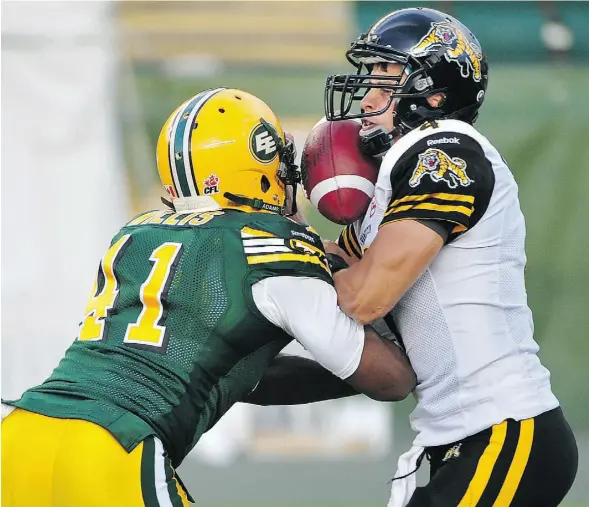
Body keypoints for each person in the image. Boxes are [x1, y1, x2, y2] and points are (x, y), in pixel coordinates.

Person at [1, 88, 416, 507]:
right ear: (259, 168)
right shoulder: (272, 249)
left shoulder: (137, 233)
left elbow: (237, 375)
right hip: (112, 447)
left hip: (19, 435)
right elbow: (391, 379)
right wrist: (416, 358)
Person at [319, 7, 578, 507]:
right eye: (369, 75)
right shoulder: (403, 172)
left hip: (504, 431)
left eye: (385, 76)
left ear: (434, 93)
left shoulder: (444, 152)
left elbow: (364, 296)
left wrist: (285, 266)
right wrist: (277, 229)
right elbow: (339, 261)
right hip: (469, 438)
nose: (369, 94)